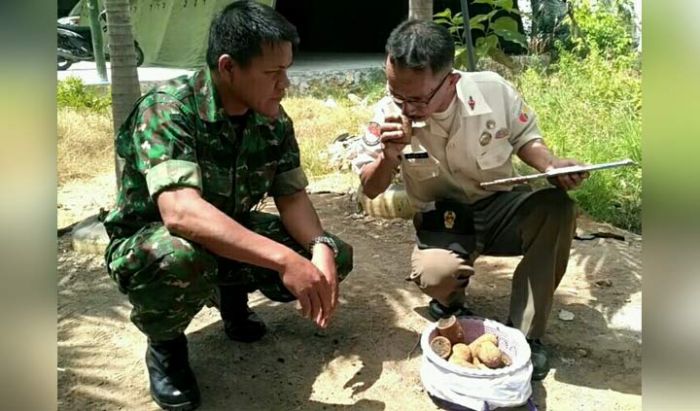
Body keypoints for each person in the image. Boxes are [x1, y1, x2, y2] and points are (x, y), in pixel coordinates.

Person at [102, 2, 353, 409]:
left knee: (335, 255)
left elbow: (291, 197)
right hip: (153, 243)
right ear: (228, 67)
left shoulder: (272, 119)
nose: (284, 84)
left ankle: (230, 295)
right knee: (178, 256)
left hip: (228, 231)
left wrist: (320, 246)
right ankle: (165, 347)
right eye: (273, 73)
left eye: (286, 70)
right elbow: (180, 213)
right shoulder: (168, 109)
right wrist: (284, 261)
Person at [352, 19, 588, 381]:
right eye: (396, 93)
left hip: (500, 207)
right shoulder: (387, 116)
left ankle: (526, 337)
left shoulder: (492, 91)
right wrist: (388, 155)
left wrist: (551, 165)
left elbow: (526, 138)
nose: (405, 107)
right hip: (442, 221)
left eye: (416, 99)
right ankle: (449, 304)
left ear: (451, 81)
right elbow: (369, 188)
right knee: (436, 273)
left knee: (556, 208)